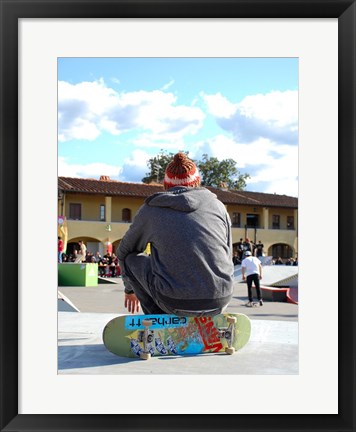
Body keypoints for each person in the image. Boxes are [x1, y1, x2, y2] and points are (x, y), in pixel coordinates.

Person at [117, 152, 234, 316]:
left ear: (165, 185)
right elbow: (227, 252)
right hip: (220, 299)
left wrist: (130, 288)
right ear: (197, 182)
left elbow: (123, 251)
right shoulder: (218, 206)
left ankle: (158, 320)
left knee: (131, 259)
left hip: (173, 302)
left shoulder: (152, 209)